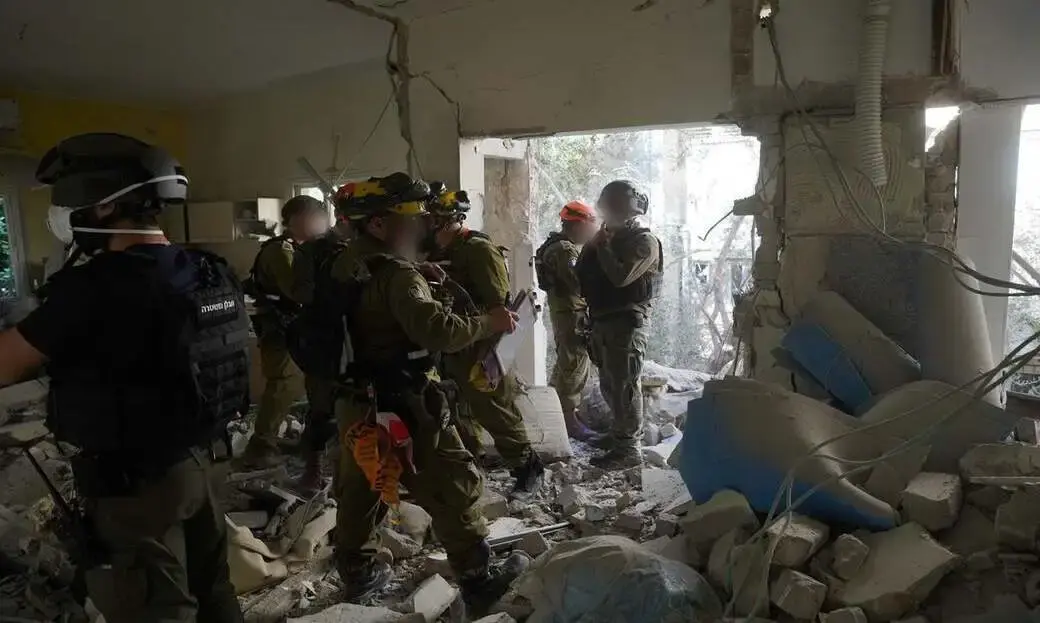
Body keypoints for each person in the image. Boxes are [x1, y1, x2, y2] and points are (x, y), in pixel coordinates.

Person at [0, 133, 248, 622]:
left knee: (157, 606)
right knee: (212, 587)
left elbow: (7, 363)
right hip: (207, 458)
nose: (61, 216)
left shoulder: (94, 287)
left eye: (68, 204)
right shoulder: (209, 270)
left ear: (105, 209)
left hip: (141, 484)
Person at [327, 173, 524, 611]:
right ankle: (478, 579)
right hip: (406, 402)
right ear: (378, 224)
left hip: (356, 399)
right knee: (453, 484)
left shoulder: (346, 262)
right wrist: (489, 323)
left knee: (362, 483)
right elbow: (438, 331)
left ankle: (358, 573)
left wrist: (414, 273)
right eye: (412, 217)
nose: (422, 226)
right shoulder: (398, 275)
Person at [424, 186, 544, 495]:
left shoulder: (477, 249)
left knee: (494, 408)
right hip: (452, 341)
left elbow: (498, 306)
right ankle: (469, 466)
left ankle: (527, 467)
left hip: (480, 342)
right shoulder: (437, 252)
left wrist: (491, 351)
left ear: (448, 219)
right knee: (457, 408)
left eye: (432, 218)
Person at [575, 180, 663, 469]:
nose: (606, 213)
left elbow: (621, 277)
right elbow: (581, 273)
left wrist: (602, 247)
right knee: (610, 385)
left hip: (627, 324)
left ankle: (629, 449)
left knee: (625, 385)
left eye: (611, 207)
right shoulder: (606, 238)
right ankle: (619, 435)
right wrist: (596, 244)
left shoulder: (644, 242)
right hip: (603, 321)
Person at [241, 195, 330, 466]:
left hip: (298, 329)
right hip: (279, 329)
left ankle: (308, 441)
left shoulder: (303, 249)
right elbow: (298, 291)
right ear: (296, 221)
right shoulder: (282, 251)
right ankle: (261, 445)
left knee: (308, 384)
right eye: (315, 218)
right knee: (283, 384)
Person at [534, 201, 598, 440]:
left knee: (567, 363)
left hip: (567, 312)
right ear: (579, 225)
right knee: (574, 364)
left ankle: (559, 414)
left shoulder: (558, 246)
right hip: (571, 314)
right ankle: (568, 421)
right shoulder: (564, 250)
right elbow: (577, 284)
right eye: (590, 227)